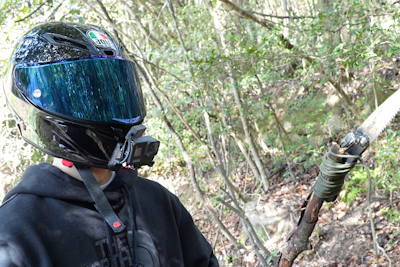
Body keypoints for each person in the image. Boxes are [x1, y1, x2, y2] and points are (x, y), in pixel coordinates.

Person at [0, 21, 219, 267]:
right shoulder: (16, 231)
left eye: (114, 92)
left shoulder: (159, 201)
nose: (110, 108)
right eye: (90, 99)